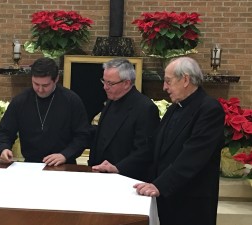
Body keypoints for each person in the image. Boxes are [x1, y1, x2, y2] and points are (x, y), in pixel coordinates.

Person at [134, 57, 225, 225]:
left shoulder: (209, 109)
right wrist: (119, 167)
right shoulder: (175, 108)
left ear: (185, 79)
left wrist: (160, 185)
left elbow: (193, 156)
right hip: (168, 199)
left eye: (168, 81)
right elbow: (154, 148)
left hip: (191, 203)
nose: (164, 87)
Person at [0, 57, 90, 166]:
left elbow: (82, 135)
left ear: (56, 79)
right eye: (36, 84)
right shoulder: (21, 100)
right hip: (30, 165)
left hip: (63, 165)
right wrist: (4, 148)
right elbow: (5, 131)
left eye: (45, 85)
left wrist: (65, 155)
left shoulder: (71, 101)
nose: (40, 90)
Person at [88, 58, 160, 181]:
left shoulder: (145, 108)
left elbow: (145, 150)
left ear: (126, 83)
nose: (105, 87)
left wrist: (117, 168)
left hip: (127, 178)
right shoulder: (111, 101)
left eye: (110, 83)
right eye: (104, 81)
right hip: (101, 174)